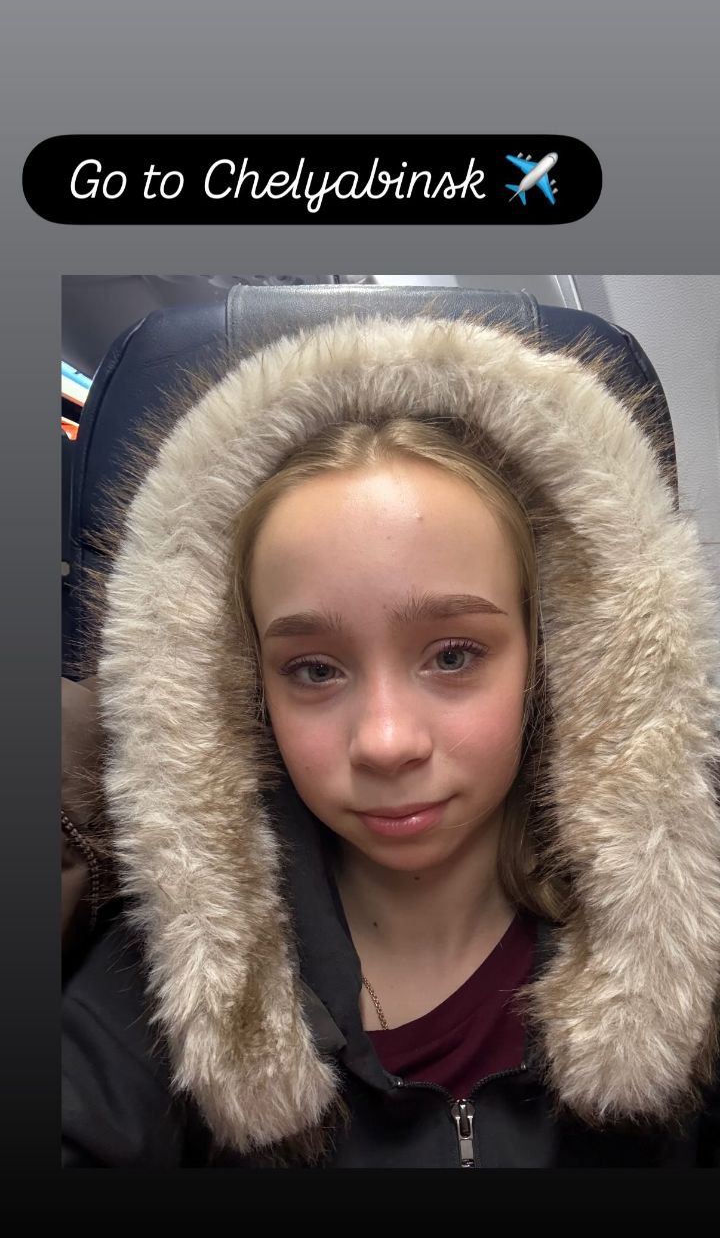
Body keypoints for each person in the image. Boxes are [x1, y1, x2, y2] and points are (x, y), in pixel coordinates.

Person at [62, 314, 720, 1167]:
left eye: (453, 655)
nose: (384, 741)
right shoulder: (161, 982)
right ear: (245, 691)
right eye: (314, 670)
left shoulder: (699, 943)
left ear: (553, 660)